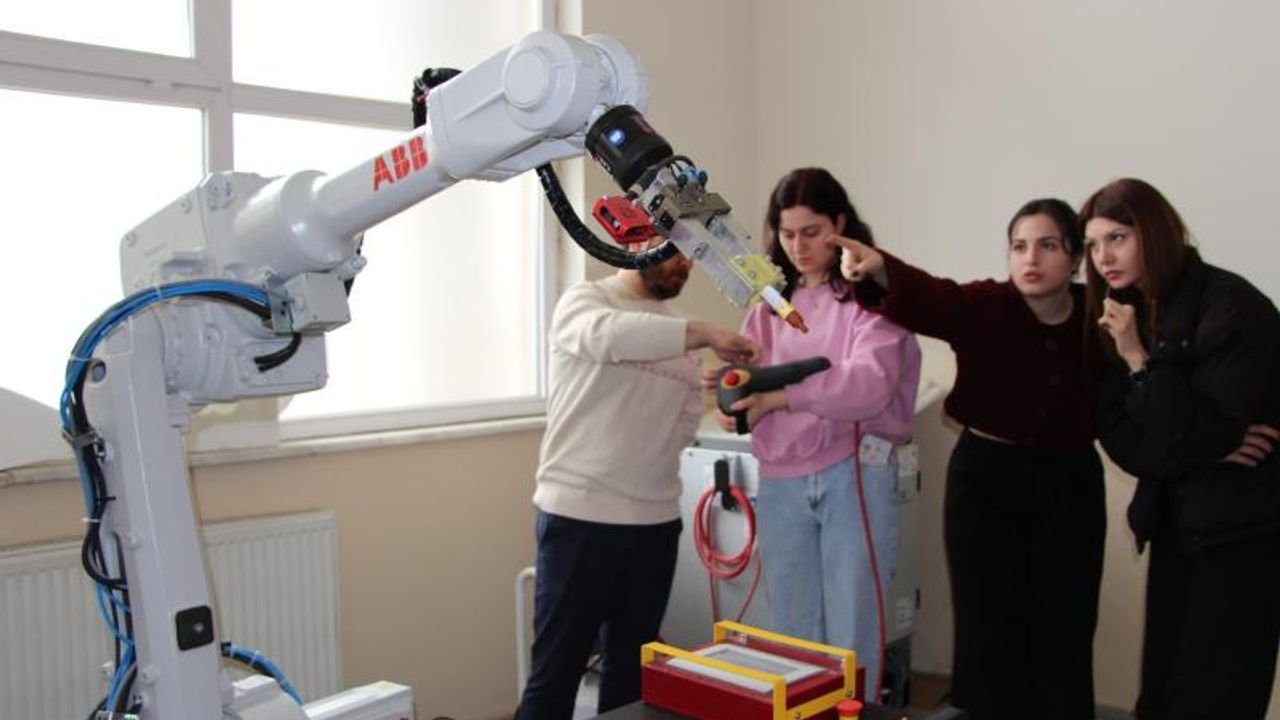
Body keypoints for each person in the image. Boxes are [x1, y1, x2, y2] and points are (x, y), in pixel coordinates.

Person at [830, 198, 1104, 719]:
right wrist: (881, 268)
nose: (1030, 258)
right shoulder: (986, 304)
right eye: (1019, 246)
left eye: (1047, 246)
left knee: (1065, 625)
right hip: (986, 483)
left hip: (1069, 486)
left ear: (1074, 257)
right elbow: (932, 297)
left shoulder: (1102, 316)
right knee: (986, 624)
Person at [515, 243, 759, 720]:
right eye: (674, 251)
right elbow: (607, 336)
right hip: (580, 517)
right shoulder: (585, 302)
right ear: (634, 243)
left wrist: (710, 387)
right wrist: (702, 332)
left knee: (631, 679)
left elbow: (682, 426)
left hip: (654, 526)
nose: (685, 263)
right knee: (555, 675)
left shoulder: (680, 340)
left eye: (689, 255)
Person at [711, 168, 921, 699]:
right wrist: (736, 405)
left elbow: (868, 387)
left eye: (812, 232)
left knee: (853, 627)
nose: (798, 247)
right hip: (782, 478)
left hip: (853, 473)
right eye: (787, 234)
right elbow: (751, 385)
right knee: (794, 633)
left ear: (840, 225)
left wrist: (782, 397)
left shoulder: (872, 296)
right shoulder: (769, 306)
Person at [1084, 177, 1280, 720]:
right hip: (1174, 522)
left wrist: (1138, 360)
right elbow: (1116, 429)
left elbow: (1208, 431)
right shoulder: (1125, 309)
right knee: (1161, 696)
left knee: (1216, 697)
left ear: (1155, 232)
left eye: (1117, 238)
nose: (1103, 258)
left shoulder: (1232, 305)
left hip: (1242, 528)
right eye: (1094, 244)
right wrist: (1199, 448)